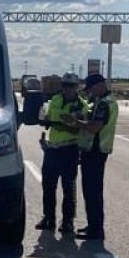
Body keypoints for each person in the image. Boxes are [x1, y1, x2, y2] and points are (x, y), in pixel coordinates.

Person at [35, 73, 85, 233]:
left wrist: (59, 123)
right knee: (48, 186)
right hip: (52, 149)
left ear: (76, 87)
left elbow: (77, 125)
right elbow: (46, 116)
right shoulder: (55, 99)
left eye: (71, 85)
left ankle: (68, 221)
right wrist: (53, 119)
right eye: (65, 85)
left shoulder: (81, 104)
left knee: (68, 188)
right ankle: (48, 217)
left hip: (69, 150)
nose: (67, 89)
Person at [74, 73, 119, 242]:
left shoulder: (104, 104)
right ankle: (93, 225)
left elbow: (95, 128)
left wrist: (75, 122)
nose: (90, 92)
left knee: (92, 191)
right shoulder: (106, 101)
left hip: (95, 151)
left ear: (99, 85)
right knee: (93, 191)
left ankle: (95, 229)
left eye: (91, 88)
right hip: (98, 150)